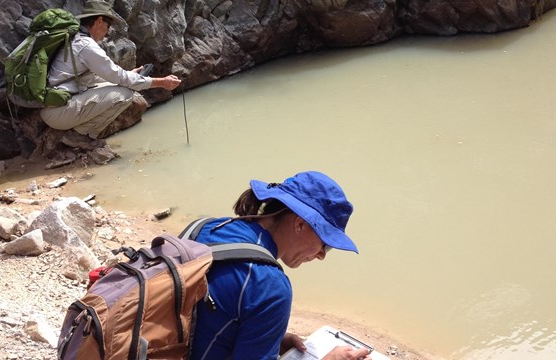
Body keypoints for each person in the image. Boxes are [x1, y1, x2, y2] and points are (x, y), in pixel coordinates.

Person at [190, 171, 372, 360]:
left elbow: (206, 318)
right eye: (325, 244)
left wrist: (270, 338)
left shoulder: (206, 227)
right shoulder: (268, 285)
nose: (321, 256)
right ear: (300, 224)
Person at [40, 0, 181, 139]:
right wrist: (161, 82)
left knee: (120, 84)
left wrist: (129, 75)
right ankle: (82, 136)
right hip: (58, 113)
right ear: (99, 21)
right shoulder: (87, 46)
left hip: (55, 106)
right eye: (108, 25)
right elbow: (118, 76)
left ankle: (81, 133)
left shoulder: (76, 40)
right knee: (124, 94)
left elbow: (97, 77)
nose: (108, 32)